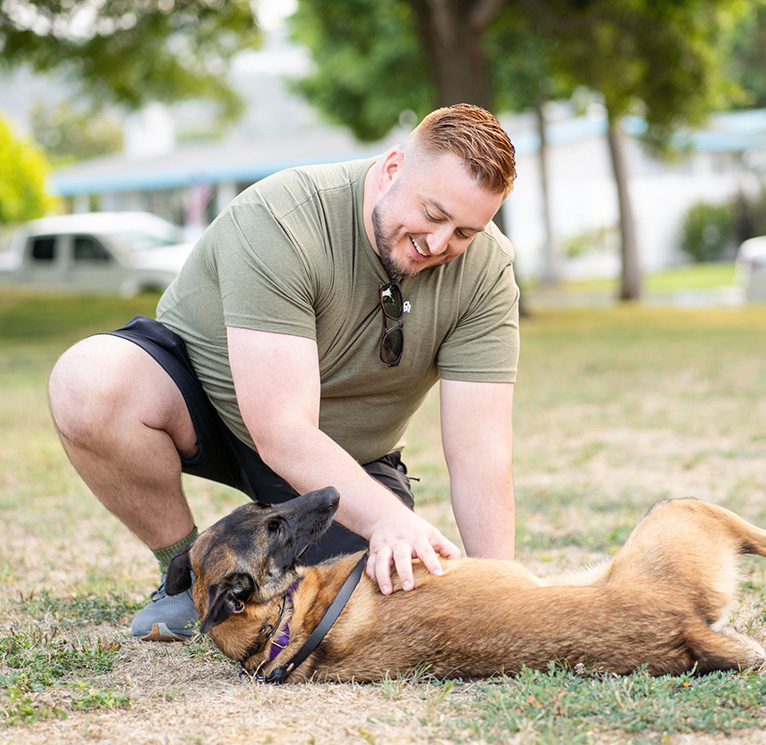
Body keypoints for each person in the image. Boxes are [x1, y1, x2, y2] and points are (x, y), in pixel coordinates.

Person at [47, 103, 520, 642]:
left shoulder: (488, 271)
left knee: (350, 607)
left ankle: (270, 537)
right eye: (433, 214)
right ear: (392, 168)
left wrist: (502, 593)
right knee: (86, 382)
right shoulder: (284, 218)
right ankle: (184, 575)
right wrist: (388, 518)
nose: (439, 245)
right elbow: (283, 429)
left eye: (464, 231)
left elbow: (480, 450)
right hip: (211, 408)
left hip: (342, 457)